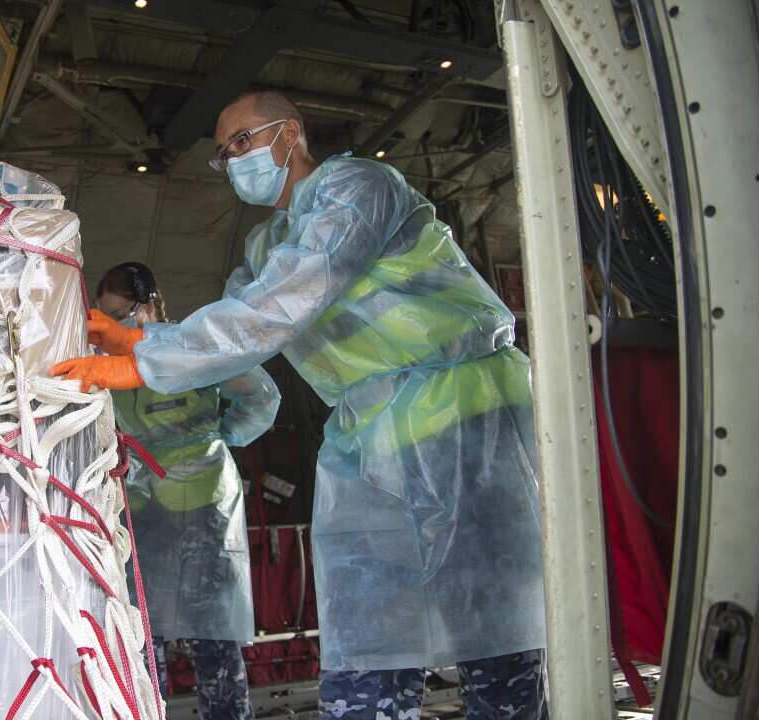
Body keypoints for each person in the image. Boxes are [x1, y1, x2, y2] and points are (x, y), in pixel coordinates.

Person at [53, 90, 549, 719]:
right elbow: (239, 319)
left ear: (288, 135)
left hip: (464, 412)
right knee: (368, 635)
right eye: (223, 153)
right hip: (370, 436)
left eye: (242, 141)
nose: (232, 160)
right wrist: (143, 338)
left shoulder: (359, 187)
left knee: (494, 623)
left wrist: (142, 360)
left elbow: (294, 292)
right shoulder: (267, 245)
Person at [96, 261, 279, 720]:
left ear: (151, 304)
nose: (115, 327)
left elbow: (260, 397)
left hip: (204, 507)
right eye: (106, 317)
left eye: (123, 315)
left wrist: (219, 438)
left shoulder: (196, 347)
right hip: (140, 510)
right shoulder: (108, 363)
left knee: (212, 632)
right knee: (141, 633)